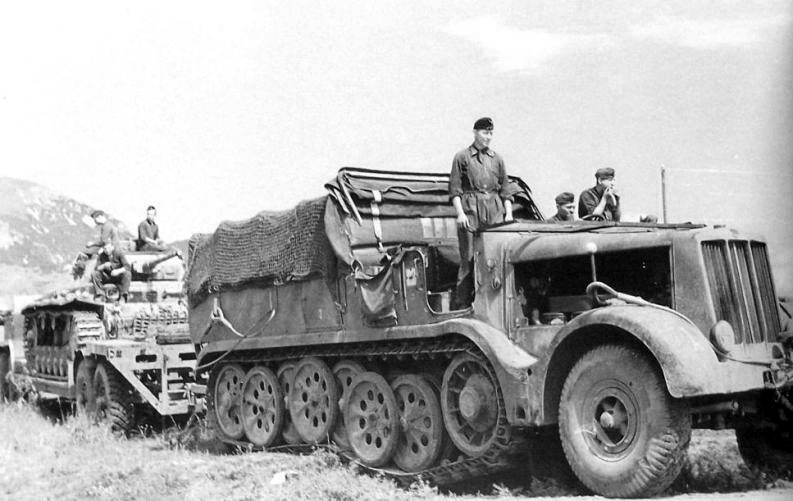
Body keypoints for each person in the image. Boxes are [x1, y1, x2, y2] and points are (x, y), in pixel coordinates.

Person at [449, 117, 514, 308]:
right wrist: (460, 214)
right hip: (470, 210)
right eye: (485, 133)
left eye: (491, 133)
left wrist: (508, 214)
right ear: (475, 132)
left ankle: (494, 305)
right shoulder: (462, 157)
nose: (488, 137)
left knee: (495, 256)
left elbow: (505, 190)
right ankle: (463, 305)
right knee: (468, 258)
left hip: (495, 209)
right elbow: (455, 189)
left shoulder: (498, 159)